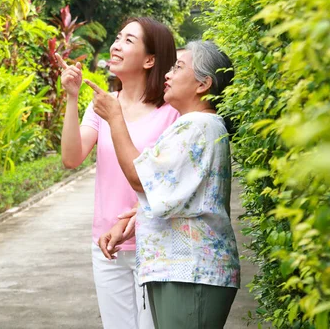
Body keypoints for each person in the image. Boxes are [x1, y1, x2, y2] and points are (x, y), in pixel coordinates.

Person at [86, 40, 241, 329]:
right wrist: (135, 217)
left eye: (178, 67)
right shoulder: (194, 124)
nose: (167, 74)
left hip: (191, 271)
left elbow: (140, 179)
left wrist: (115, 116)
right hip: (182, 271)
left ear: (203, 84)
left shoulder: (198, 125)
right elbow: (174, 192)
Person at [59, 17, 180, 329]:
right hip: (106, 243)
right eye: (117, 37)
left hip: (156, 242)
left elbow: (169, 182)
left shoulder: (170, 114)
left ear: (151, 59)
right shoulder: (103, 104)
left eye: (128, 40)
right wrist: (72, 97)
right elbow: (72, 158)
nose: (116, 45)